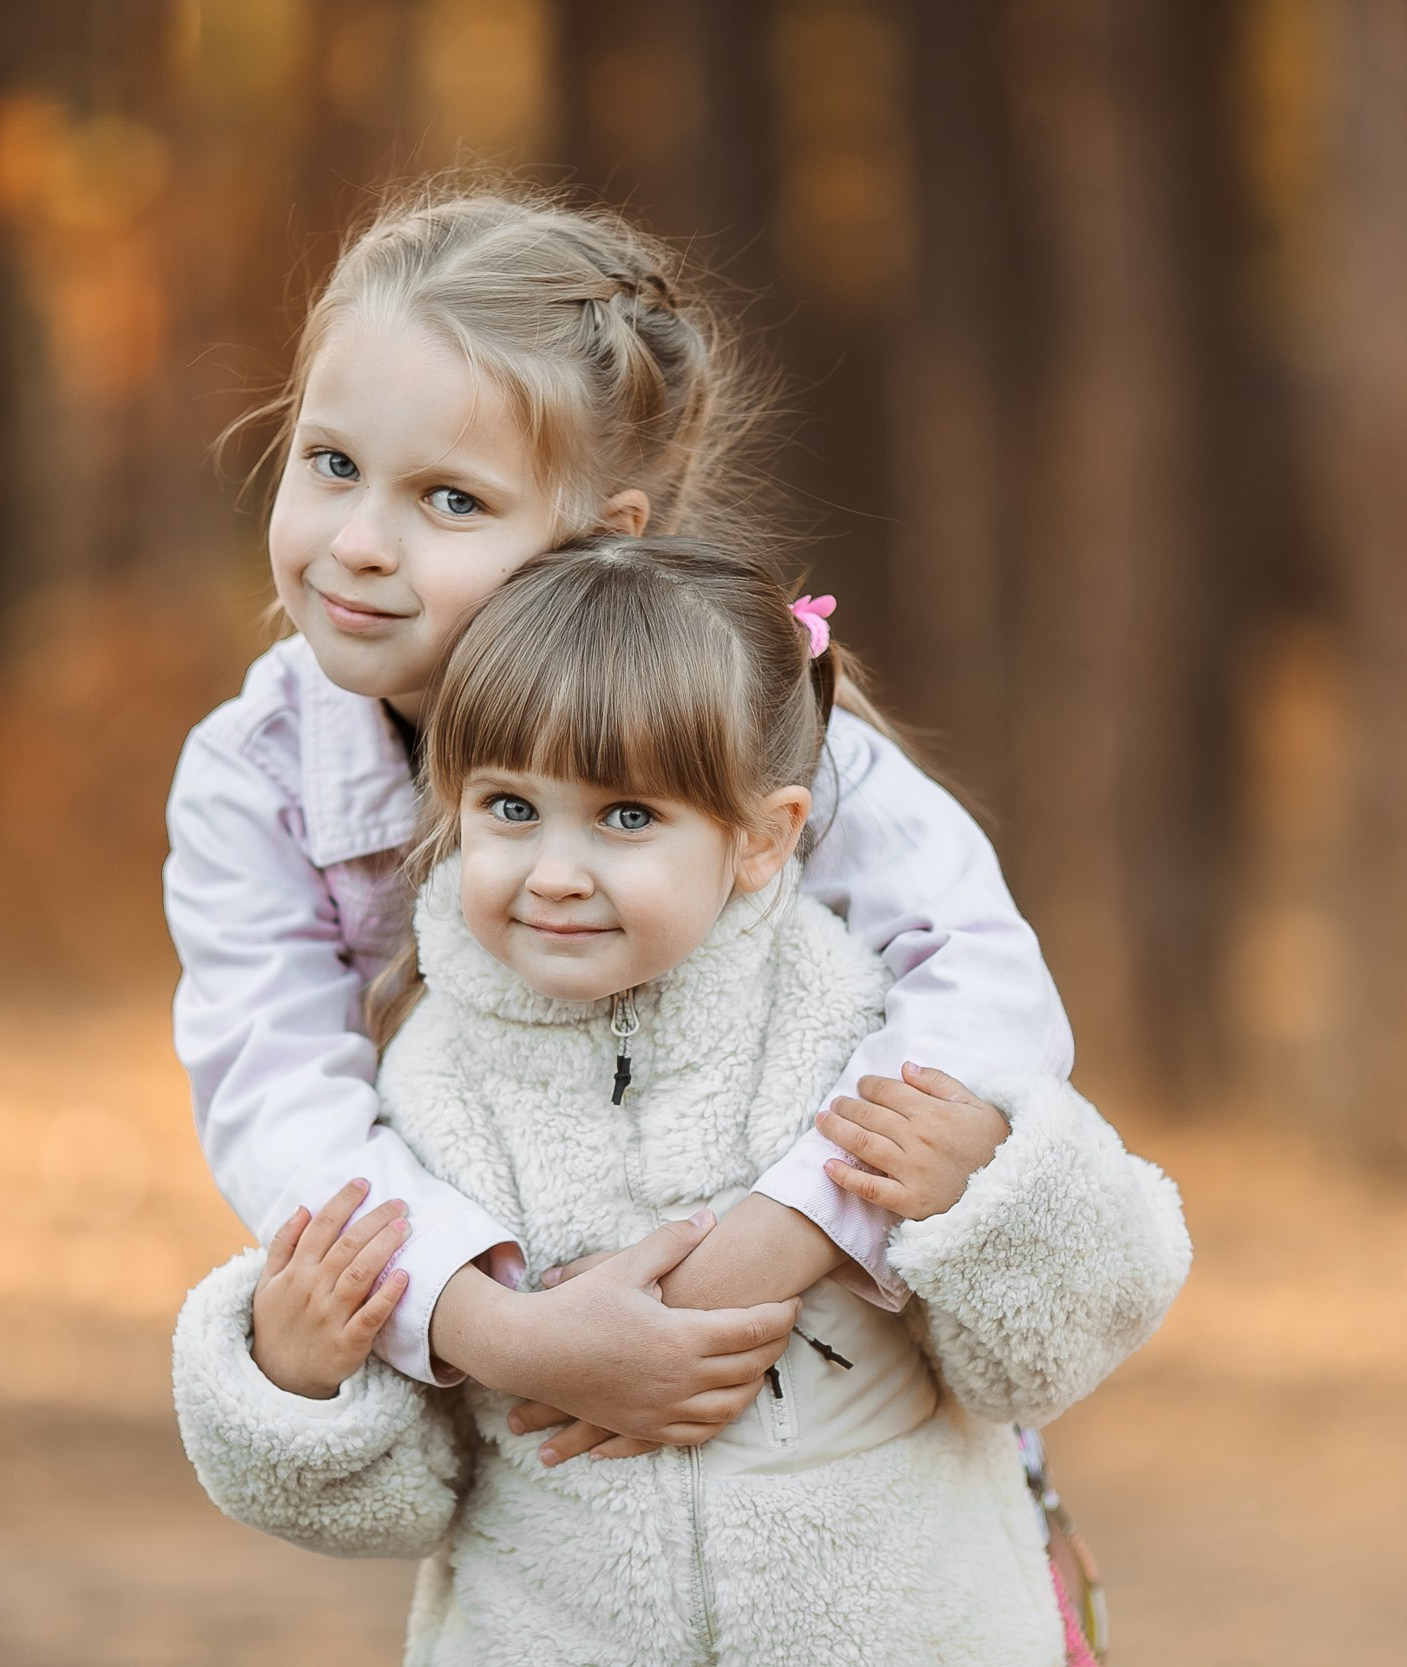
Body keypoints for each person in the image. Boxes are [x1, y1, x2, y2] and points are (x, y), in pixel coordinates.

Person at [165, 181, 1083, 1460]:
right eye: (332, 464)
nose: (360, 540)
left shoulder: (747, 717)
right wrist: (508, 1333)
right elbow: (278, 1108)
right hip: (545, 1443)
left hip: (829, 1406)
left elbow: (987, 986)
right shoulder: (253, 778)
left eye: (449, 499)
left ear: (601, 536)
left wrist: (781, 1234)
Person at [173, 539, 1190, 1665]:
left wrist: (992, 1194)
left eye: (623, 818)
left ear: (761, 838)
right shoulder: (427, 1096)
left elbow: (1042, 1355)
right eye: (510, 807)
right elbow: (402, 1500)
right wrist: (294, 1377)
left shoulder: (860, 1035)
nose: (555, 869)